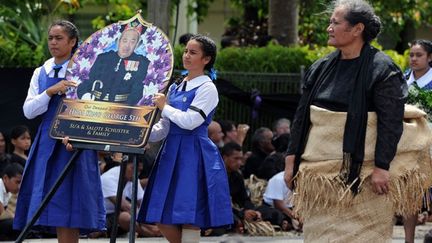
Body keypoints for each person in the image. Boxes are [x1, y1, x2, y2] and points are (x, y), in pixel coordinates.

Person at [284, 1, 429, 242]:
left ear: (357, 29)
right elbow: (302, 116)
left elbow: (390, 121)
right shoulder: (321, 67)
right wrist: (291, 160)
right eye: (330, 22)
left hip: (366, 173)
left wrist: (382, 166)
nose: (329, 27)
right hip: (321, 177)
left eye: (335, 22)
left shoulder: (382, 69)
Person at [13, 20, 106, 243]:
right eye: (50, 38)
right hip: (47, 141)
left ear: (72, 41)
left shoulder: (85, 70)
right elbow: (28, 111)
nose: (53, 43)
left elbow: (93, 108)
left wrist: (80, 133)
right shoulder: (41, 71)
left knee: (70, 204)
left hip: (73, 140)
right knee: (49, 201)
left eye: (59, 38)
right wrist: (50, 91)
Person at [136, 34, 233, 243]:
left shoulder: (208, 88)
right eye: (186, 51)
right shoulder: (175, 87)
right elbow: (164, 128)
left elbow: (191, 122)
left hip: (193, 153)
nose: (186, 56)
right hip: (170, 152)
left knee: (189, 214)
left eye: (193, 52)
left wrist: (165, 107)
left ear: (206, 59)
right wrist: (140, 133)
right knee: (159, 213)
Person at [77, 21, 150, 105]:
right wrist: (86, 95)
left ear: (137, 45)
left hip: (122, 107)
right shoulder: (103, 58)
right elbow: (88, 81)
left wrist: (123, 110)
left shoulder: (142, 63)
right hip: (95, 105)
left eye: (132, 42)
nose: (127, 45)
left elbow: (137, 92)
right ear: (118, 41)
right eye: (124, 40)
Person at [404, 39, 432, 243]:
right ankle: (408, 240)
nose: (413, 59)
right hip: (408, 144)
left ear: (430, 57)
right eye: (411, 55)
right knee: (409, 194)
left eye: (419, 55)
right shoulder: (402, 79)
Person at [100, 157, 160, 238]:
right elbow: (125, 206)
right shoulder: (108, 178)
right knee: (125, 217)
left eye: (139, 171)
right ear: (124, 165)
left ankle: (155, 231)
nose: (136, 173)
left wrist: (157, 221)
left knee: (151, 212)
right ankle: (152, 233)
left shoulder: (134, 178)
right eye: (133, 168)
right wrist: (150, 226)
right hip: (103, 217)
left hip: (121, 215)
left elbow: (143, 204)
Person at [0, 163, 23, 241]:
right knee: (14, 224)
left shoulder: (8, 192)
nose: (19, 186)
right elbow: (2, 214)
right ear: (5, 178)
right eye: (17, 182)